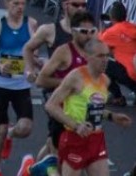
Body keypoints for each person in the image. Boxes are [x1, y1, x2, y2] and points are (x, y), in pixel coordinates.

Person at [44, 39, 131, 176]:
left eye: (107, 55)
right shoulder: (76, 77)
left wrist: (111, 116)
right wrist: (76, 126)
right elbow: (51, 105)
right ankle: (48, 170)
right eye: (100, 56)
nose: (105, 60)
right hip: (74, 138)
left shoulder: (105, 80)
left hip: (96, 139)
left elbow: (93, 108)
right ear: (87, 57)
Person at [29, 10, 99, 176]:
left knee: (52, 154)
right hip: (61, 112)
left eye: (92, 31)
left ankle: (31, 171)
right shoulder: (63, 51)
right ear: (74, 32)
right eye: (84, 32)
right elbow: (41, 80)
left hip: (83, 113)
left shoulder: (95, 52)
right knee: (63, 163)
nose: (89, 35)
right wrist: (69, 85)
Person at [0, 0, 37, 176]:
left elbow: (34, 55)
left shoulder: (31, 24)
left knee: (26, 128)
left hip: (21, 85)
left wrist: (34, 68)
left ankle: (10, 135)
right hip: (0, 85)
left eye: (23, 4)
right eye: (16, 4)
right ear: (7, 4)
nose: (20, 8)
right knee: (0, 129)